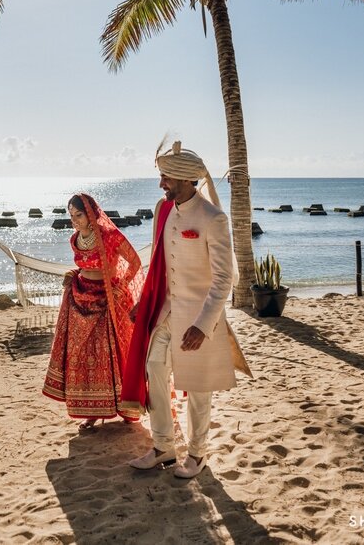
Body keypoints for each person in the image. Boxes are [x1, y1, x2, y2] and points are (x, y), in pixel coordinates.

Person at [122, 141, 251, 478]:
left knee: (198, 388)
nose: (161, 183)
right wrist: (145, 301)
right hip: (166, 312)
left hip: (198, 318)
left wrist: (203, 324)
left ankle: (197, 454)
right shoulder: (164, 211)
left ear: (184, 180)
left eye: (166, 177)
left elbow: (225, 278)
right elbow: (160, 264)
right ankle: (164, 447)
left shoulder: (213, 218)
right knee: (154, 368)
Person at [42, 193, 143, 430]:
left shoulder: (110, 236)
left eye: (79, 215)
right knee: (84, 356)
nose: (74, 220)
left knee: (113, 354)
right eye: (71, 216)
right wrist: (73, 274)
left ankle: (125, 408)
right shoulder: (74, 239)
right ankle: (92, 411)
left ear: (91, 214)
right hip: (80, 298)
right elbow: (83, 266)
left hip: (108, 300)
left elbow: (135, 262)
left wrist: (121, 286)